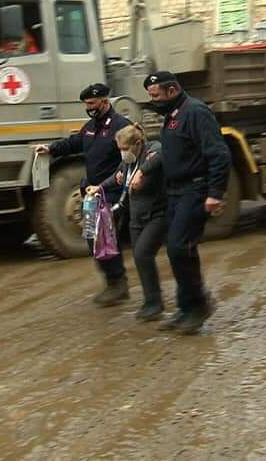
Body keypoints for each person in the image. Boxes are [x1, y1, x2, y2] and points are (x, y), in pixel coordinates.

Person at [143, 71, 231, 334]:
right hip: (176, 192)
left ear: (172, 91)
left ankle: (199, 305)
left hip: (195, 189)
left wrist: (215, 193)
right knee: (177, 250)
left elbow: (219, 154)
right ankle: (186, 308)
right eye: (150, 96)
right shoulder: (172, 115)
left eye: (156, 95)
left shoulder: (195, 112)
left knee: (181, 247)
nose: (153, 100)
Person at [35, 84, 131, 305]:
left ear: (104, 102)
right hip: (92, 195)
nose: (88, 108)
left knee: (104, 238)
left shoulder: (121, 127)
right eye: (86, 104)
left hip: (111, 193)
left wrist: (114, 186)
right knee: (93, 239)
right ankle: (112, 281)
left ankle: (118, 284)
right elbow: (74, 143)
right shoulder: (90, 127)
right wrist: (50, 149)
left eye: (91, 104)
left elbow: (129, 161)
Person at [87, 123, 168, 321]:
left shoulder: (151, 151)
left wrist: (143, 172)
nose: (123, 153)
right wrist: (99, 188)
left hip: (158, 215)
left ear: (138, 143)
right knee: (141, 259)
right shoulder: (127, 162)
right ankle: (151, 301)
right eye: (120, 149)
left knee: (142, 254)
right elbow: (117, 176)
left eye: (125, 149)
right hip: (137, 217)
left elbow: (160, 156)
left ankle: (155, 303)